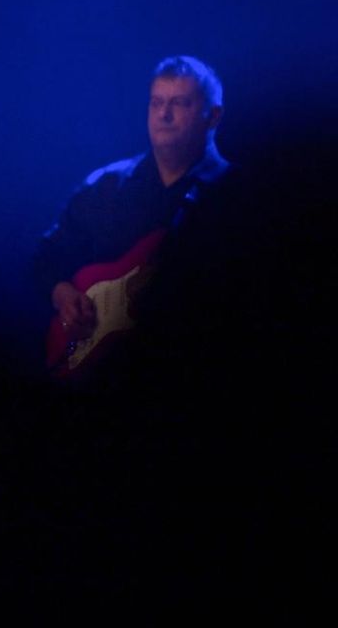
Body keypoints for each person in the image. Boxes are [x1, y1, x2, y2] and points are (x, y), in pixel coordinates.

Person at [32, 55, 237, 386]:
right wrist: (63, 294)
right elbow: (46, 257)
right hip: (104, 375)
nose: (163, 115)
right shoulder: (106, 185)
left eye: (179, 103)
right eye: (156, 103)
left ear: (213, 116)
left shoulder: (236, 193)